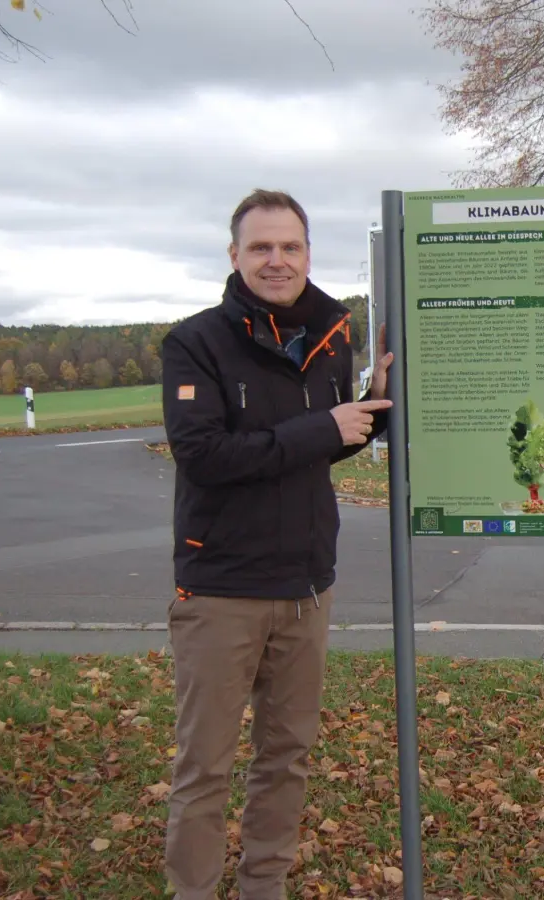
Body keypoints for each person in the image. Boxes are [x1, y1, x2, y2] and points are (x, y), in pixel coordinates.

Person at [158, 188, 394, 899]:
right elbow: (205, 456)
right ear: (234, 256)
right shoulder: (195, 342)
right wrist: (326, 427)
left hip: (305, 588)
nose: (276, 260)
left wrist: (368, 417)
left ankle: (264, 886)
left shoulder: (329, 337)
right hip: (222, 589)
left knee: (287, 757)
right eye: (260, 247)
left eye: (290, 246)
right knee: (206, 767)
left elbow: (306, 455)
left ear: (308, 254)